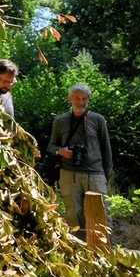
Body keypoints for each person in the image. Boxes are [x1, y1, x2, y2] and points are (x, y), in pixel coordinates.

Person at [48, 83, 113, 241]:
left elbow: (106, 148)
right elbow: (51, 145)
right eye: (77, 98)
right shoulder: (60, 121)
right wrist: (60, 151)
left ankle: (105, 250)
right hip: (69, 174)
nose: (81, 102)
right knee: (73, 215)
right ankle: (79, 252)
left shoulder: (98, 120)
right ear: (70, 99)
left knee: (101, 213)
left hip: (95, 173)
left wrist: (106, 174)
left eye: (84, 98)